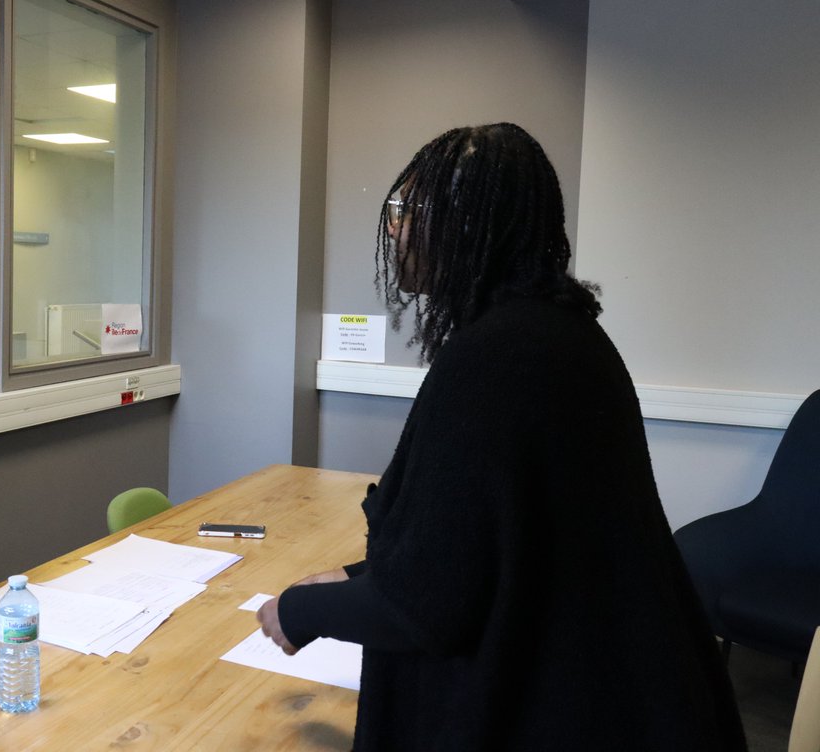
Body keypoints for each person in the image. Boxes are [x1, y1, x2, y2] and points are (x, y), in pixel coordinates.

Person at [256, 123, 747, 751]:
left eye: (409, 210)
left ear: (467, 223)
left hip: (557, 706)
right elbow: (491, 542)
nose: (393, 228)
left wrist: (300, 613)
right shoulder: (560, 337)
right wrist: (355, 577)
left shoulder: (496, 358)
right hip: (623, 690)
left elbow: (430, 607)